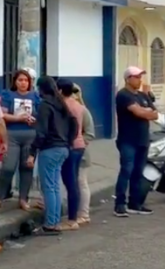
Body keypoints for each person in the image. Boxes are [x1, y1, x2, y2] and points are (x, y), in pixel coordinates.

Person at [25, 76, 76, 234]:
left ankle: (50, 224)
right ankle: (54, 221)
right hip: (63, 148)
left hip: (50, 149)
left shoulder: (45, 105)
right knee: (54, 186)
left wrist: (32, 152)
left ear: (41, 88)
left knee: (48, 187)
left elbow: (42, 132)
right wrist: (68, 142)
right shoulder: (61, 104)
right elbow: (73, 124)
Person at [114, 66, 158, 217]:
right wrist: (145, 113)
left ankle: (135, 203)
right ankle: (120, 204)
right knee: (126, 170)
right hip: (128, 140)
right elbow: (138, 112)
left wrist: (146, 112)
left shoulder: (143, 96)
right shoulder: (123, 95)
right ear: (128, 79)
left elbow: (155, 114)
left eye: (140, 77)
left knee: (138, 173)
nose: (139, 80)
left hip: (143, 140)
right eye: (136, 77)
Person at [0, 69, 39, 210]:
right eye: (20, 80)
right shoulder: (8, 95)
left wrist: (34, 119)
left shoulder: (35, 96)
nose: (23, 83)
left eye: (26, 80)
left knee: (26, 167)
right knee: (8, 167)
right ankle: (0, 196)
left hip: (30, 134)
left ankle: (23, 198)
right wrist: (18, 118)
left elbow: (41, 115)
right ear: (15, 81)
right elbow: (2, 115)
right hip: (12, 134)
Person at [56, 79, 86, 231]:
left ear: (60, 90)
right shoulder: (78, 106)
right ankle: (74, 216)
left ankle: (72, 219)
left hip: (70, 145)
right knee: (73, 181)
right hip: (79, 146)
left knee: (70, 183)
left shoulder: (63, 106)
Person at [72, 83, 96, 224]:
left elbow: (90, 133)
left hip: (80, 152)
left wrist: (80, 144)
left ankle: (84, 213)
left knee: (81, 182)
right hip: (66, 151)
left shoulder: (83, 110)